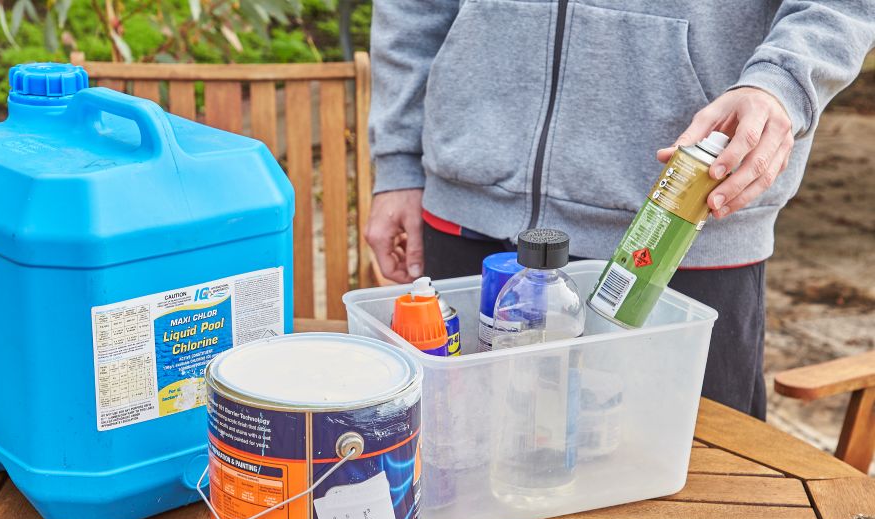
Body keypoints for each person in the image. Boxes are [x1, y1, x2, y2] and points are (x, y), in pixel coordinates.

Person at [365, 1, 875, 419]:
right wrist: (398, 165)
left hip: (680, 224)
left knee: (695, 505)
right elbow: (412, 10)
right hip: (467, 216)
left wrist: (780, 82)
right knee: (459, 463)